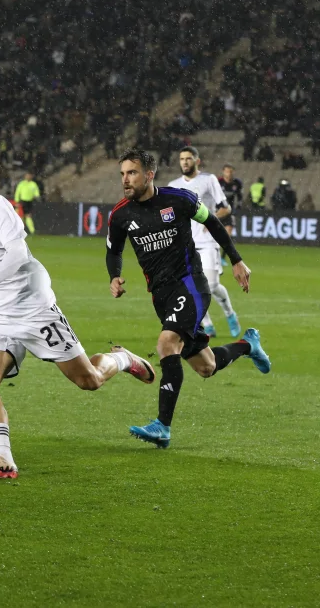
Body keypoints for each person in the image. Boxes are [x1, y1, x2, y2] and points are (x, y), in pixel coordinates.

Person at [0, 148, 155, 478]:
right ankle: (2, 459)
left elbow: (17, 251)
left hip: (32, 304)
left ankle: (122, 359)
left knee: (89, 381)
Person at [106, 148, 271, 449]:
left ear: (149, 175)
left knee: (166, 344)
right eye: (122, 174)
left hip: (191, 284)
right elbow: (114, 250)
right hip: (161, 295)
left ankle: (162, 427)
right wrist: (114, 276)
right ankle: (248, 345)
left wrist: (236, 259)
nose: (125, 180)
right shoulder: (120, 215)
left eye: (131, 173)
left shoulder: (178, 199)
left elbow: (213, 222)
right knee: (205, 366)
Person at [169, 147, 241, 339]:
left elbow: (226, 209)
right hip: (185, 245)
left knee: (211, 285)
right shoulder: (173, 185)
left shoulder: (209, 180)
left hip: (208, 243)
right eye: (182, 159)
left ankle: (230, 313)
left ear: (197, 161)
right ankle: (207, 325)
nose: (184, 162)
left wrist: (210, 219)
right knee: (191, 289)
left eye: (188, 159)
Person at [218, 164, 243, 265]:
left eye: (231, 171)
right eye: (227, 171)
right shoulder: (218, 182)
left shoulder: (237, 183)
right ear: (223, 172)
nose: (229, 174)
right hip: (218, 212)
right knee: (213, 236)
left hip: (229, 212)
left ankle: (222, 258)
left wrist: (238, 207)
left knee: (228, 236)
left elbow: (240, 196)